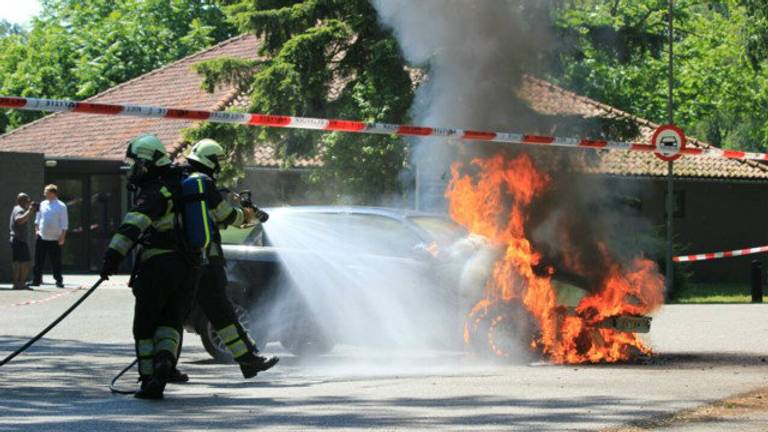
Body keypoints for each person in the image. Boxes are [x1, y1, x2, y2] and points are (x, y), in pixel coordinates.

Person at [99, 134, 199, 400]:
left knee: (144, 325)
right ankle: (165, 360)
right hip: (189, 268)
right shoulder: (183, 186)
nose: (133, 169)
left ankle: (148, 380)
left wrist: (112, 257)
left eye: (136, 163)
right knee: (170, 321)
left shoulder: (156, 192)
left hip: (158, 265)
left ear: (146, 163)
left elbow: (133, 226)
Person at [177, 139, 278, 379]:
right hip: (207, 262)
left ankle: (161, 368)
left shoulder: (179, 182)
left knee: (172, 315)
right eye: (218, 163)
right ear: (211, 162)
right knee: (222, 312)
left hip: (181, 261)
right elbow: (227, 216)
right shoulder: (204, 185)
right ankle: (248, 359)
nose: (219, 169)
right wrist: (249, 215)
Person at [32, 185, 68, 288]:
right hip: (42, 237)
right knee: (38, 260)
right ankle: (36, 280)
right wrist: (36, 230)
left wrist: (62, 236)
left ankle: (58, 280)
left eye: (46, 192)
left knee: (56, 261)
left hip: (55, 238)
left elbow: (64, 223)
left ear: (53, 193)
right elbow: (37, 218)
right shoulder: (42, 204)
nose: (44, 194)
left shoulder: (61, 206)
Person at [9, 193, 37, 290]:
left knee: (18, 262)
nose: (28, 204)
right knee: (24, 263)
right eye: (27, 201)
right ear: (22, 201)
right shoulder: (19, 210)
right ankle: (21, 283)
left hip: (17, 240)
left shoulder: (16, 208)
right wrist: (29, 211)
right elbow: (19, 220)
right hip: (19, 240)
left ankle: (17, 283)